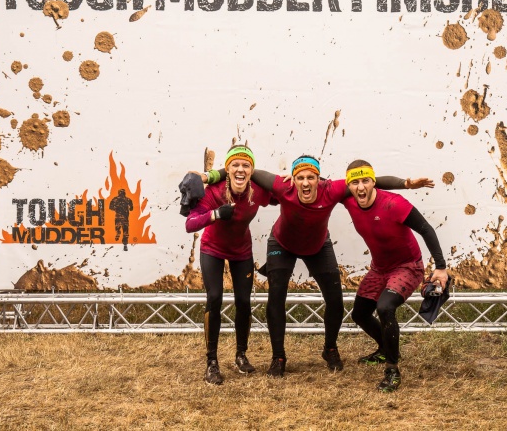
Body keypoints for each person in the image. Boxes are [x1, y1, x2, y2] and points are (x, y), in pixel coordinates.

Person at [208, 155, 432, 378]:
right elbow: (246, 170)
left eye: (311, 178)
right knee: (276, 297)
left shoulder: (331, 190)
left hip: (318, 246)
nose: (305, 183)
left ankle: (330, 349)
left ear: (319, 179)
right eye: (300, 178)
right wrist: (210, 176)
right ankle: (278, 357)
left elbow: (368, 180)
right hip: (282, 244)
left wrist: (405, 183)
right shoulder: (283, 186)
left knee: (335, 299)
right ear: (293, 180)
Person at [343, 159, 448, 392]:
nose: (360, 187)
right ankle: (385, 349)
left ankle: (392, 370)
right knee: (359, 314)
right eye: (355, 183)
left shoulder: (394, 203)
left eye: (366, 181)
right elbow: (315, 185)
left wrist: (440, 266)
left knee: (385, 307)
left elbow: (426, 229)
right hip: (379, 268)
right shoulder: (347, 199)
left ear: (374, 182)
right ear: (348, 185)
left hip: (407, 266)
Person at [185, 145, 275, 385]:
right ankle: (211, 362)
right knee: (214, 298)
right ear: (227, 169)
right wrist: (216, 214)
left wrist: (292, 181)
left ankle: (241, 355)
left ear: (252, 170)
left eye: (246, 165)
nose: (240, 169)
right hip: (212, 249)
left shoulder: (257, 191)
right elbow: (190, 223)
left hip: (241, 250)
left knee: (244, 302)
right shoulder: (213, 191)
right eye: (235, 165)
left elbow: (284, 196)